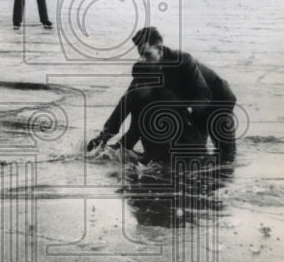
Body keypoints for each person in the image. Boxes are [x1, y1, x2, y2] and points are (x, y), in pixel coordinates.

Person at [86, 27, 237, 164]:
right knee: (193, 157)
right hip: (189, 106)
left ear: (160, 50)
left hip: (218, 102)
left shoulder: (184, 61)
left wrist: (189, 113)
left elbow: (204, 94)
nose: (142, 59)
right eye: (140, 55)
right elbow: (125, 103)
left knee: (226, 158)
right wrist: (103, 137)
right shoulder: (147, 69)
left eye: (147, 54)